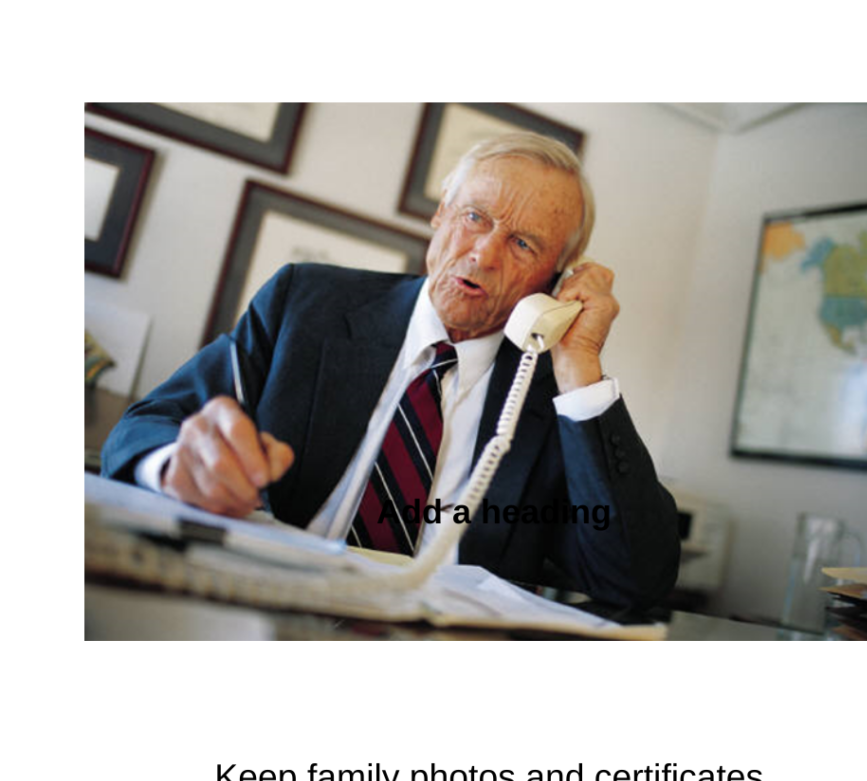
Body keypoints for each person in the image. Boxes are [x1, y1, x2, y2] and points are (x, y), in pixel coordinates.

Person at [102, 132, 680, 608]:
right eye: (475, 216)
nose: (484, 253)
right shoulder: (306, 304)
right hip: (262, 610)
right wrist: (176, 465)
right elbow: (144, 427)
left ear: (557, 280)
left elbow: (636, 579)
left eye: (525, 243)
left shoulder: (549, 392)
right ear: (440, 215)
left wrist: (579, 365)